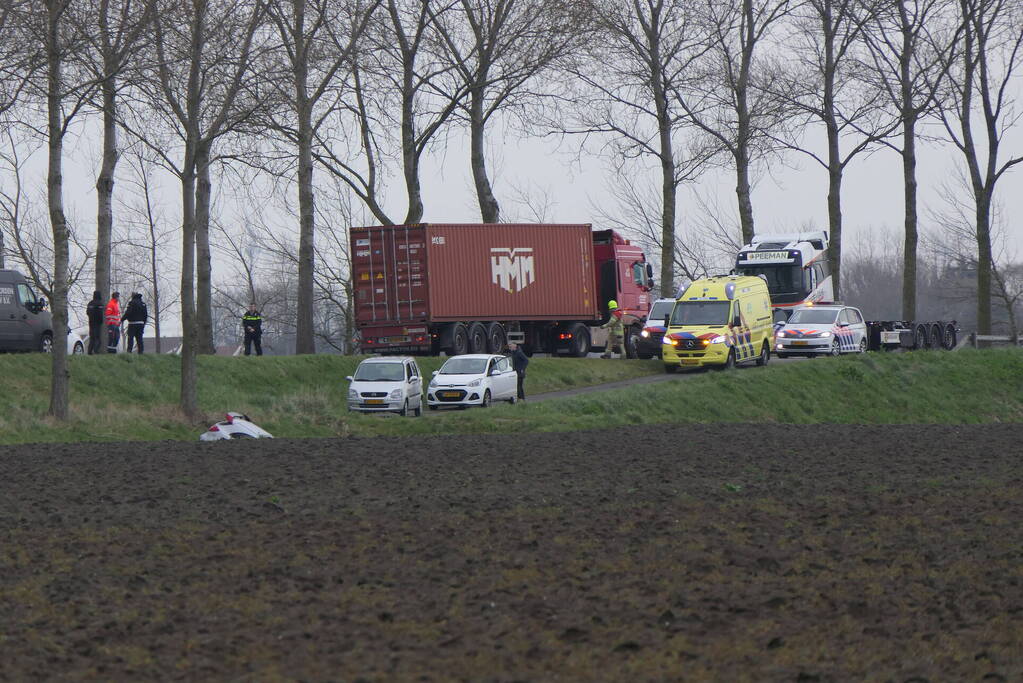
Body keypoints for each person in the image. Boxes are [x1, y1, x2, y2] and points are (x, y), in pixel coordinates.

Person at [86, 290, 104, 354]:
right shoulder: (100, 303)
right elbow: (100, 314)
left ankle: (89, 351)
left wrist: (91, 317)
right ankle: (96, 351)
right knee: (98, 338)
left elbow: (87, 312)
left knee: (92, 337)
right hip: (97, 323)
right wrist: (101, 321)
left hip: (91, 322)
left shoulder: (90, 303)